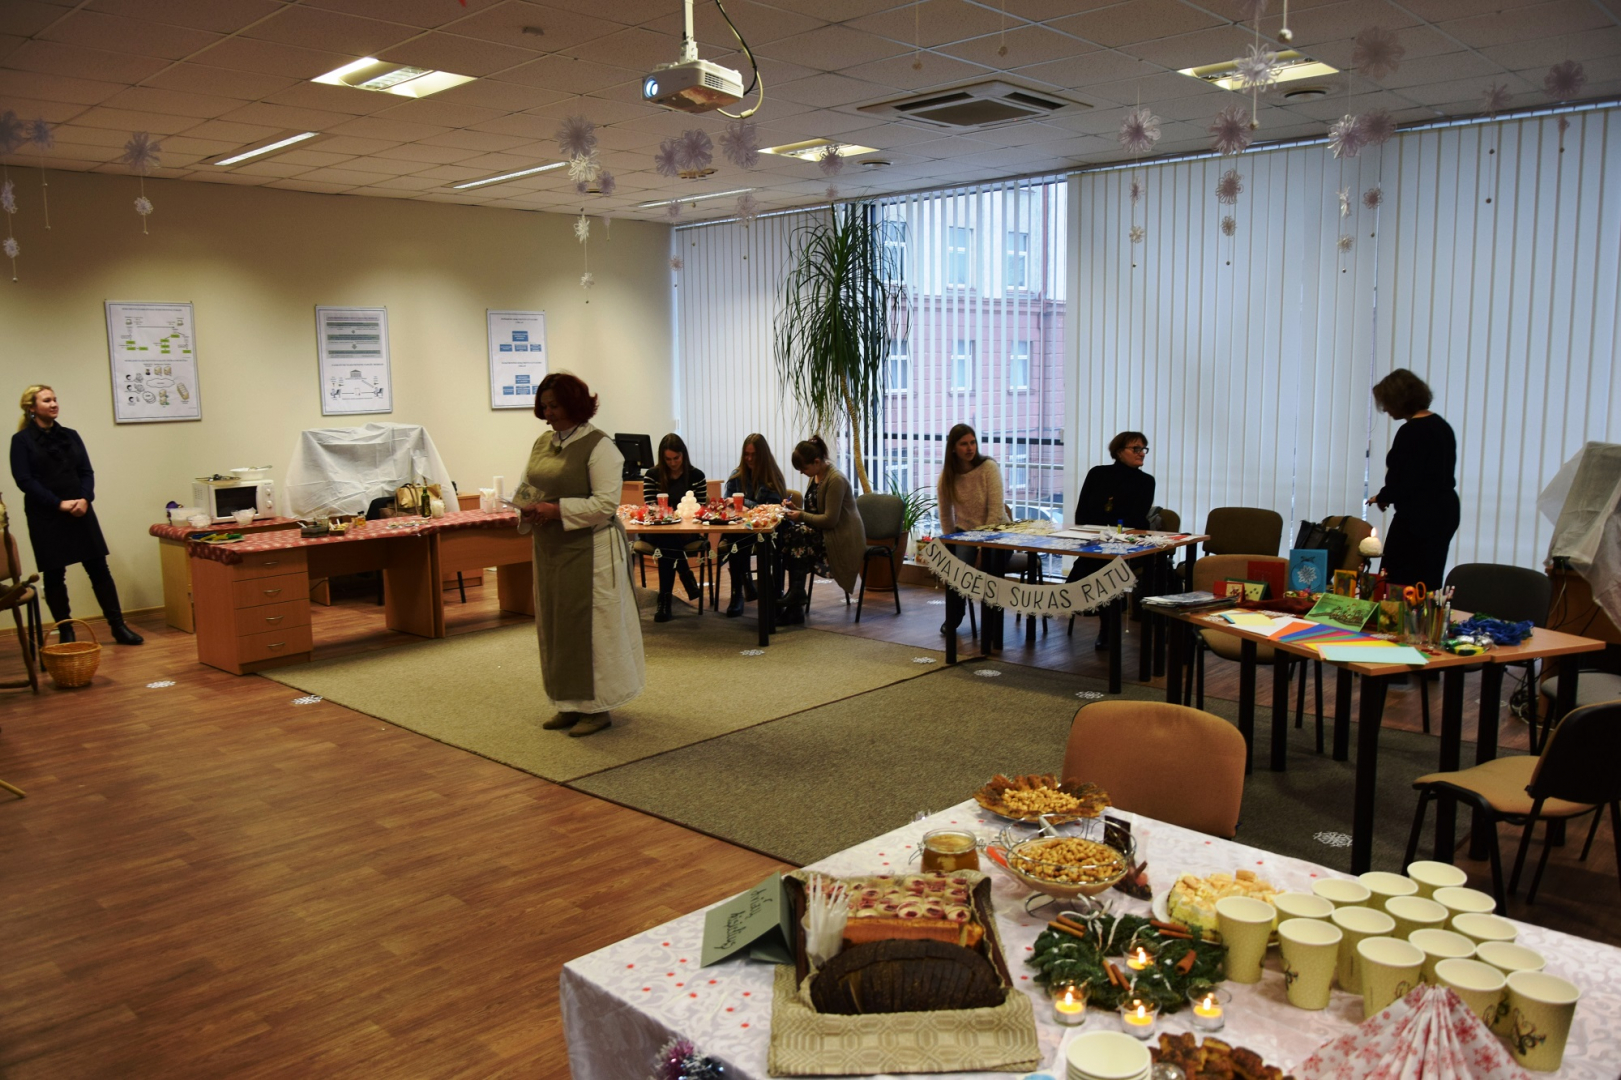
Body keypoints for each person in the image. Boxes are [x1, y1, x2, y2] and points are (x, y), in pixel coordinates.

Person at [517, 373, 645, 738]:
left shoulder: (600, 447)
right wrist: (524, 507)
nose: (548, 413)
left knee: (593, 631)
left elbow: (605, 504)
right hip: (550, 550)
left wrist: (555, 510)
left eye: (554, 405)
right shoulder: (543, 443)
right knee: (556, 627)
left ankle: (597, 708)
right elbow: (528, 486)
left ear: (574, 405)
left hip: (591, 552)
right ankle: (568, 703)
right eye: (544, 406)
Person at [9, 385, 143, 646]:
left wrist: (85, 498)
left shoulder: (70, 435)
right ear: (31, 408)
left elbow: (86, 472)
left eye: (55, 399)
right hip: (46, 514)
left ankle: (118, 626)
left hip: (80, 510)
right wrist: (58, 504)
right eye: (47, 400)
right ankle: (67, 631)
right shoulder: (21, 441)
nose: (53, 404)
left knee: (99, 568)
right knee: (54, 574)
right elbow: (24, 480)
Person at [1367, 368, 1459, 590]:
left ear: (1399, 400)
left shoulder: (1411, 432)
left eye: (1387, 403)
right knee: (1428, 578)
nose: (1385, 409)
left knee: (1397, 578)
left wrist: (1384, 496)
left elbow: (1405, 479)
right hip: (1445, 510)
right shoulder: (1442, 426)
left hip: (1419, 516)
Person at [1067, 431, 1155, 650]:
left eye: (1143, 449)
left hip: (1127, 544)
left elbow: (1136, 518)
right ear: (1119, 452)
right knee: (1098, 562)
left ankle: (1105, 624)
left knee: (1103, 565)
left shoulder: (1146, 481)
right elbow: (1082, 512)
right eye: (1136, 449)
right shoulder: (1098, 473)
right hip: (1095, 541)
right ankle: (1108, 615)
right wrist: (1090, 535)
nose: (1141, 453)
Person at [779, 436, 865, 624]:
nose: (802, 473)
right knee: (789, 535)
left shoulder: (835, 480)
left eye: (804, 468)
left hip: (841, 538)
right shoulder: (816, 476)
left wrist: (800, 516)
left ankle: (795, 599)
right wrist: (796, 509)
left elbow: (829, 520)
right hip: (824, 532)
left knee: (796, 535)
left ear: (817, 462)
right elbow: (814, 513)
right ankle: (795, 598)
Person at [935, 423, 1009, 637]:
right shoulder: (948, 476)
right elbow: (945, 515)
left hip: (997, 533)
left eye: (973, 442)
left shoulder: (988, 468)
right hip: (965, 532)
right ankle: (954, 616)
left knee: (991, 563)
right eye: (964, 444)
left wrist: (982, 546)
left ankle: (992, 622)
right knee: (956, 567)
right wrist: (949, 544)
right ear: (953, 448)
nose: (970, 448)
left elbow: (996, 512)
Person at [641, 433, 707, 623]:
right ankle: (686, 575)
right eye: (668, 459)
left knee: (667, 543)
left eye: (676, 458)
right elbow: (651, 507)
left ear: (683, 455)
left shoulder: (696, 476)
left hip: (687, 531)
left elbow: (700, 509)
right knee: (667, 538)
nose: (672, 463)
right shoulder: (652, 475)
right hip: (657, 531)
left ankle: (664, 601)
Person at [720, 433, 786, 617]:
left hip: (766, 532)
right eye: (746, 454)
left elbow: (771, 509)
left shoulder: (772, 478)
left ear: (762, 455)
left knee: (738, 541)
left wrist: (745, 504)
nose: (749, 459)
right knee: (735, 538)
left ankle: (746, 588)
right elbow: (727, 503)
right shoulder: (736, 476)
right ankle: (740, 590)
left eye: (754, 455)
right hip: (740, 529)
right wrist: (735, 505)